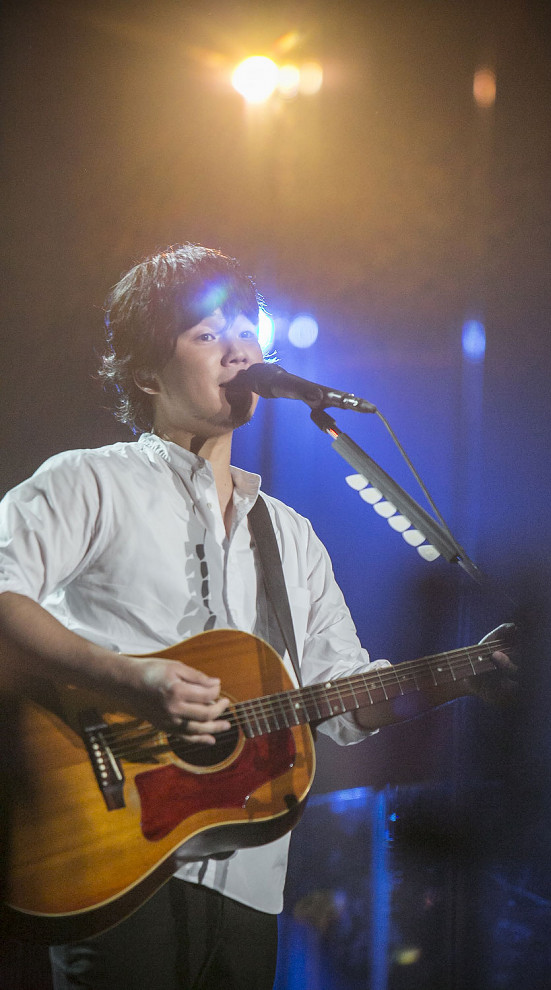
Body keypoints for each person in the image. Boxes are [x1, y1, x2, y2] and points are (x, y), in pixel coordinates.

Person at [0, 244, 515, 990]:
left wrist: (465, 675)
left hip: (252, 881)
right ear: (147, 373)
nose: (239, 350)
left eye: (247, 331)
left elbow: (346, 699)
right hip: (107, 856)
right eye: (208, 334)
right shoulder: (89, 482)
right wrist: (133, 681)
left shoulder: (292, 536)